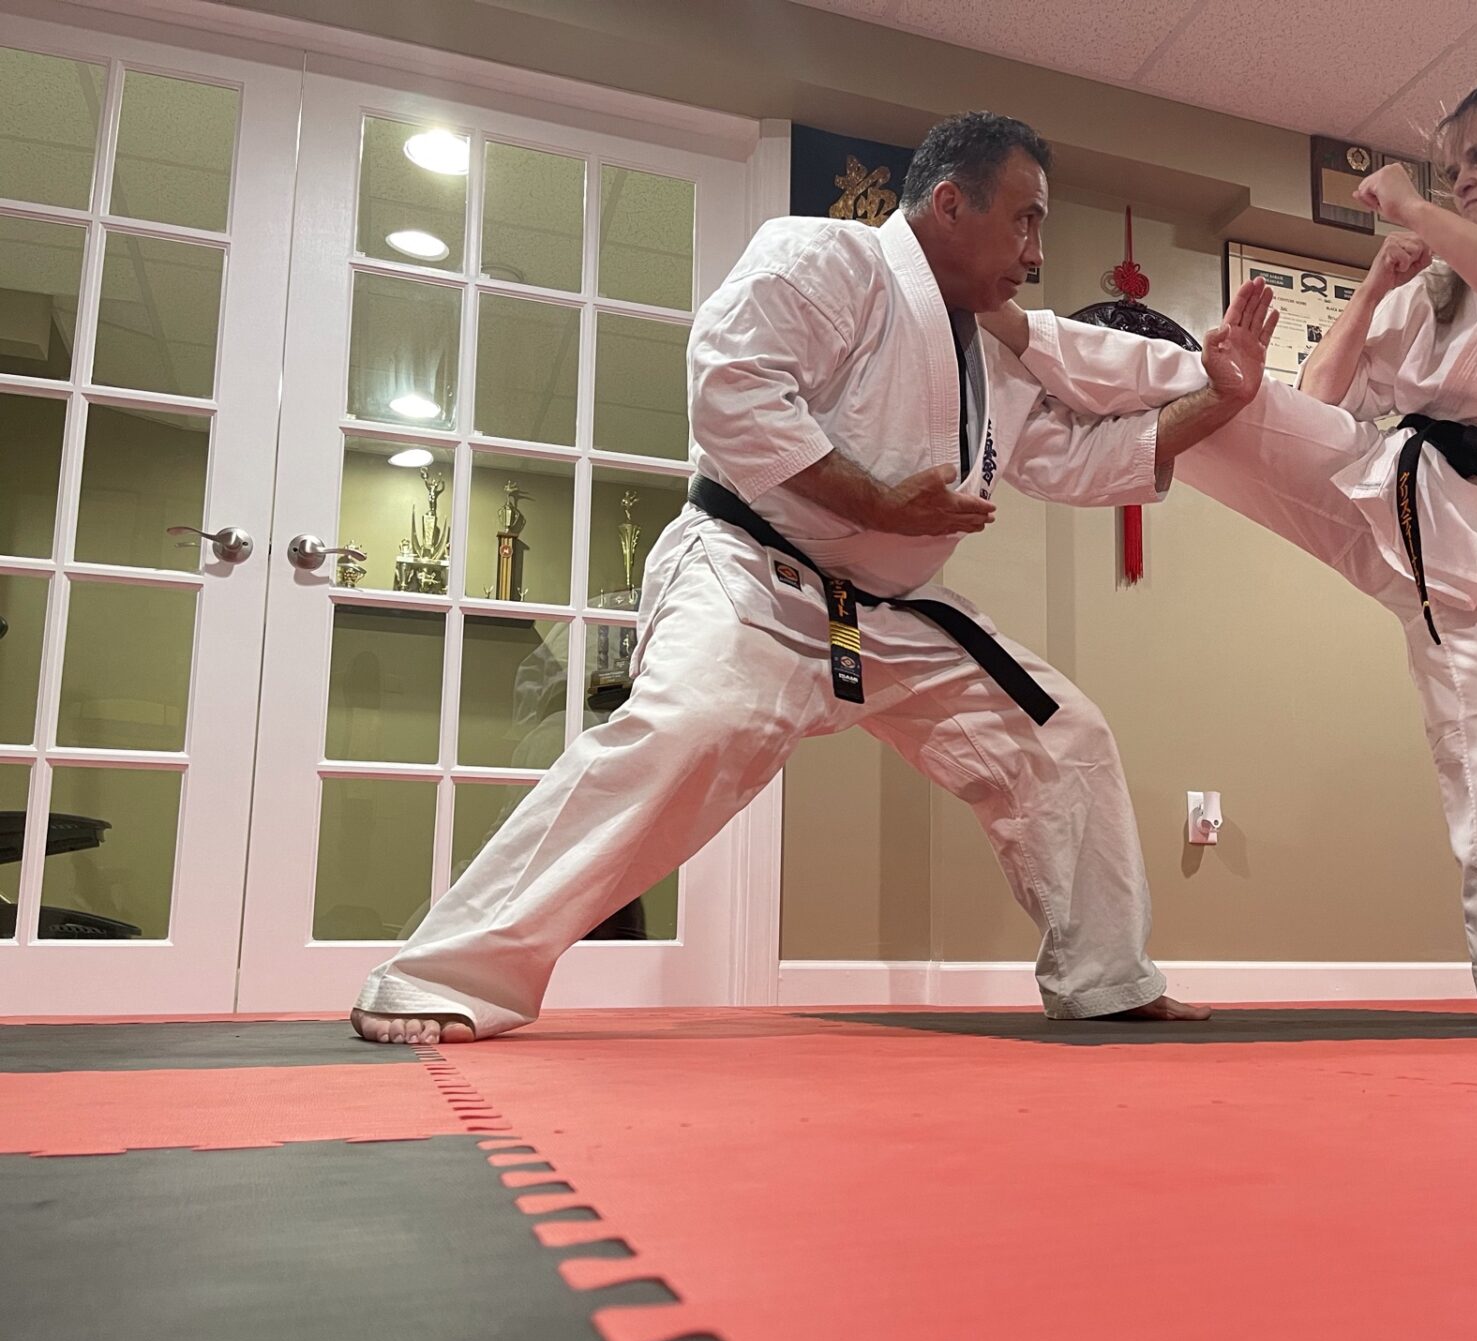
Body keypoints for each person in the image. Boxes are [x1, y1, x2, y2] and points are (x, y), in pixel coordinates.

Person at [351, 111, 1276, 1044]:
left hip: (897, 614)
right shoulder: (823, 258)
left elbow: (1081, 461)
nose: (1036, 254)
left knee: (1062, 736)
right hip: (752, 572)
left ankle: (1106, 978)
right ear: (950, 204)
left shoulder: (988, 351)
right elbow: (732, 386)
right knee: (693, 725)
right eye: (1025, 220)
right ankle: (443, 974)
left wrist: (1222, 398)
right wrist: (875, 502)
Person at [983, 75, 1477, 1023]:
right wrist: (1379, 285)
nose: (1462, 179)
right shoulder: (1433, 289)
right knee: (1222, 387)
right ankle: (1016, 335)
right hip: (1384, 491)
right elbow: (1321, 391)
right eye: (1450, 165)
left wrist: (1422, 213)